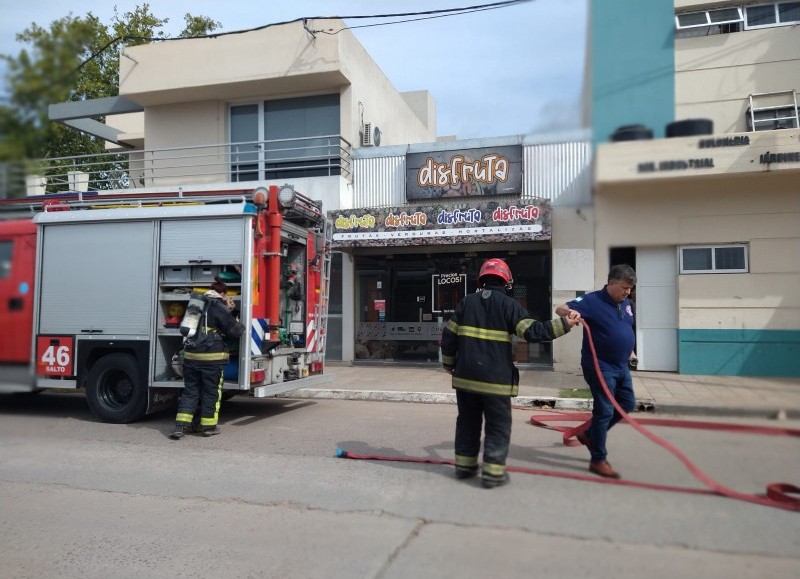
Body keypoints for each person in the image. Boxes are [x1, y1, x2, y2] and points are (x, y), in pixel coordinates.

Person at [440, 258, 581, 488]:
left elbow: (449, 337)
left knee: (467, 423)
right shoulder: (509, 306)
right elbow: (534, 332)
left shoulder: (466, 303)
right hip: (496, 383)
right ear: (507, 283)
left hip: (466, 380)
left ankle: (464, 468)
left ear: (481, 280)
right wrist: (565, 323)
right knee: (497, 426)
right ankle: (493, 474)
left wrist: (448, 364)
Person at [555, 264, 637, 479]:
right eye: (624, 288)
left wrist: (631, 350)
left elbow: (626, 327)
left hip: (620, 365)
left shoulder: (626, 303)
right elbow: (560, 308)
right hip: (600, 366)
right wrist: (571, 312)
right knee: (605, 411)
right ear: (611, 283)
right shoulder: (592, 301)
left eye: (630, 289)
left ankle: (590, 434)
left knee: (627, 403)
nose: (628, 292)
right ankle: (598, 459)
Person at [169, 277, 244, 439]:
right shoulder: (219, 307)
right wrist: (236, 319)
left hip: (190, 356)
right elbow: (235, 332)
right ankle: (209, 427)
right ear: (222, 293)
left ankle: (180, 426)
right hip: (212, 359)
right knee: (211, 392)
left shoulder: (195, 305)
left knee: (190, 391)